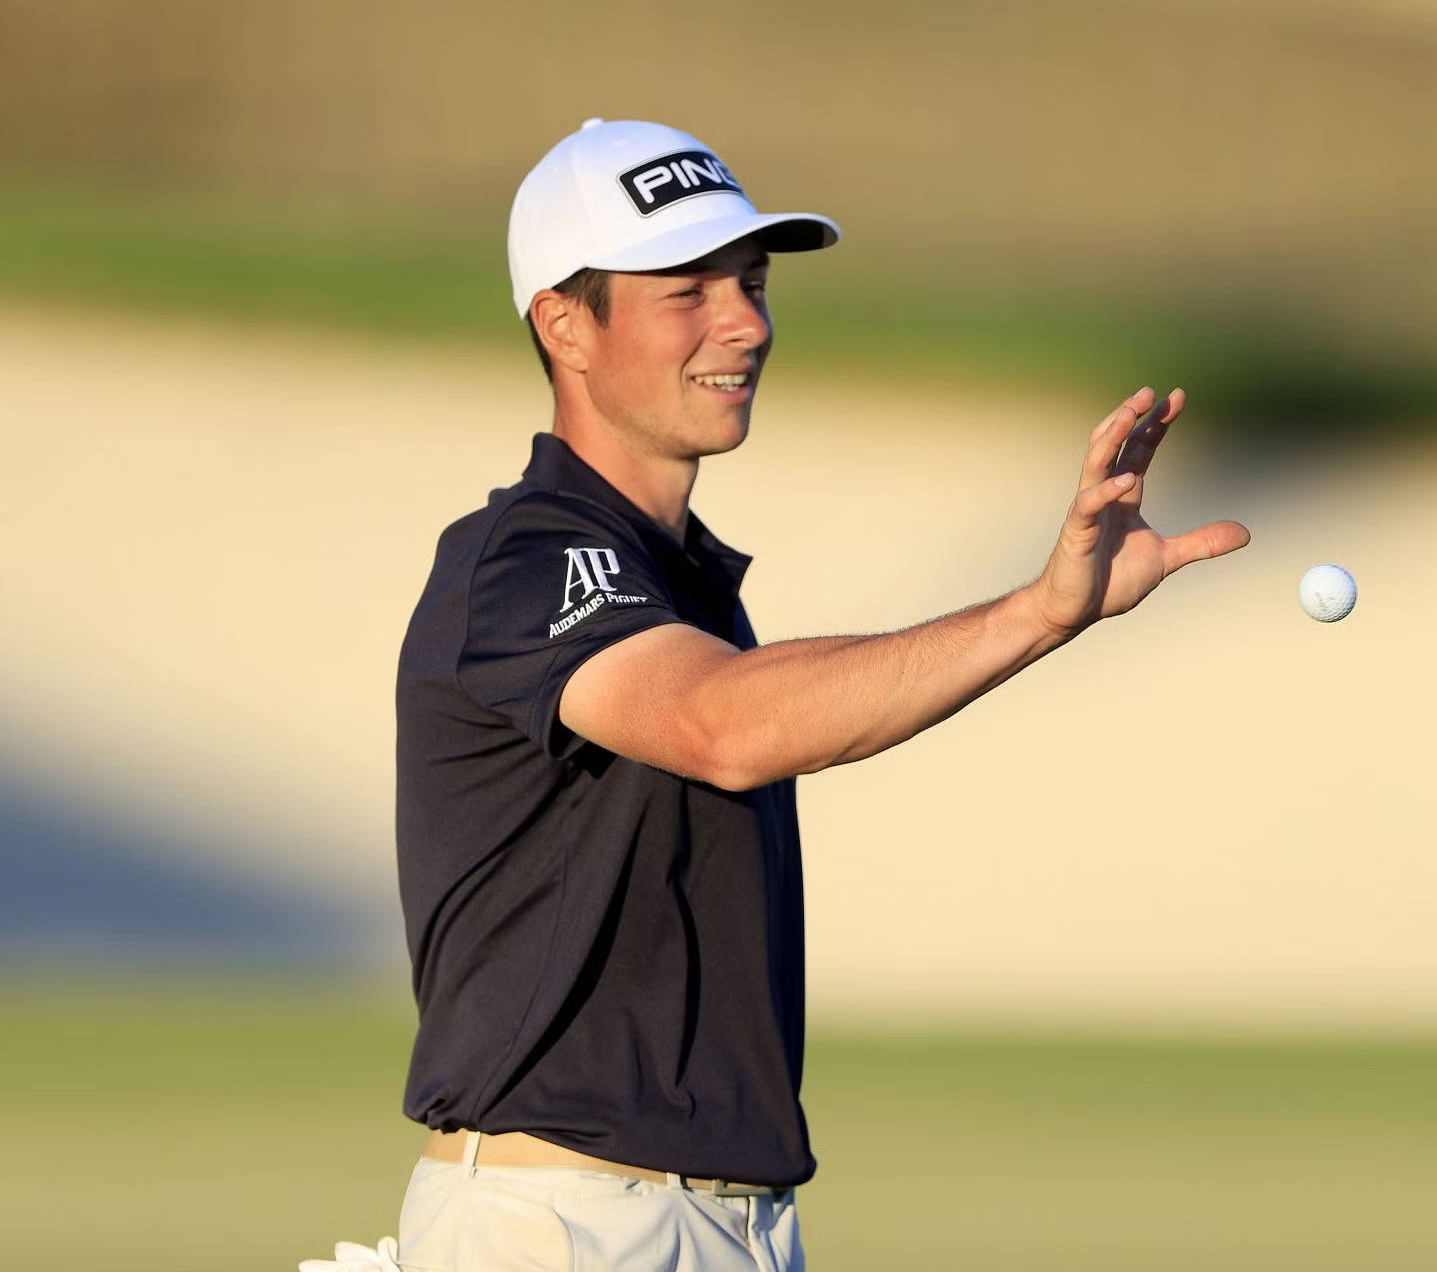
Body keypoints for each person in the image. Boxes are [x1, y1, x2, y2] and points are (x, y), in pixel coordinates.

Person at [389, 118, 1249, 1272]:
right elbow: (726, 724)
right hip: (565, 1226)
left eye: (749, 283)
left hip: (717, 1223)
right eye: (687, 289)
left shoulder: (676, 578)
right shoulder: (527, 556)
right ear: (562, 321)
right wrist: (1040, 609)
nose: (745, 322)